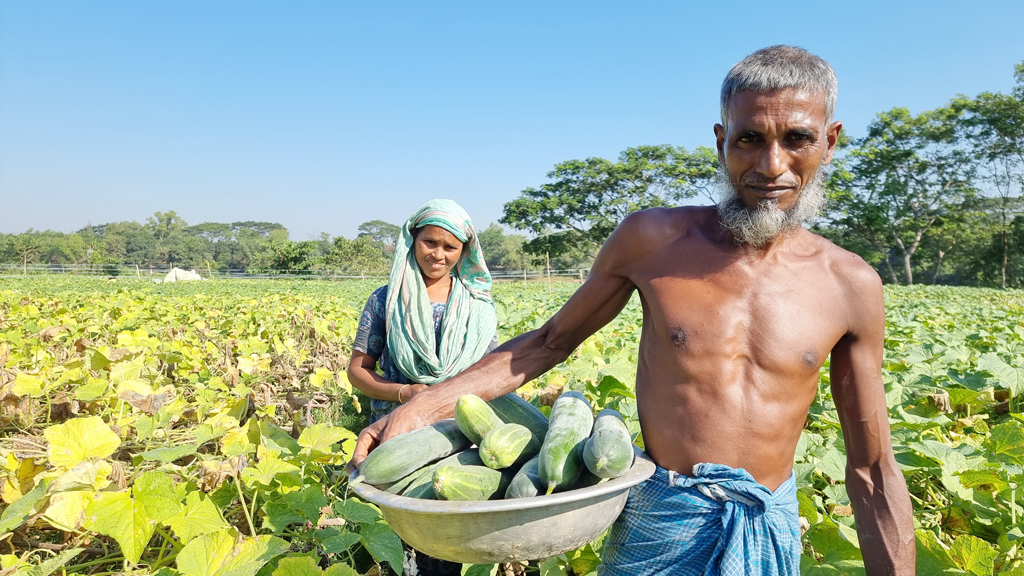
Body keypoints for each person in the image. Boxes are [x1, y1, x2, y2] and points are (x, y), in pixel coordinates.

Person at [351, 46, 916, 576]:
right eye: (749, 139)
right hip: (661, 516)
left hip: (765, 521)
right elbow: (548, 341)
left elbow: (872, 468)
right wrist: (423, 405)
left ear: (830, 141)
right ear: (721, 141)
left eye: (797, 138)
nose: (772, 164)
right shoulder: (654, 238)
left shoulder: (850, 283)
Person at [347, 199, 498, 576]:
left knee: (450, 530)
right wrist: (405, 394)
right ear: (412, 241)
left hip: (458, 434)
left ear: (465, 251)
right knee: (403, 531)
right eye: (430, 242)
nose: (438, 255)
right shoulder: (386, 300)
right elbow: (358, 371)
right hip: (397, 429)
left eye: (450, 247)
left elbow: (491, 373)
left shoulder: (477, 305)